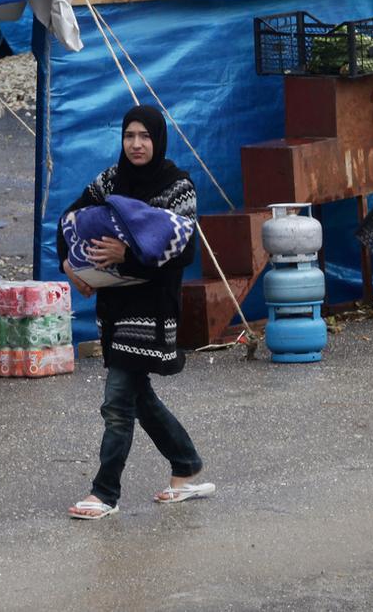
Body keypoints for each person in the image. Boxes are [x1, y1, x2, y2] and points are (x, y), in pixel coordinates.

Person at [57, 104, 214, 519]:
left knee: (118, 400)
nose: (136, 144)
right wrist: (73, 267)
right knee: (138, 396)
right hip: (114, 304)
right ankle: (186, 465)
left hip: (151, 306)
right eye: (130, 136)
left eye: (144, 136)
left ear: (158, 139)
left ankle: (104, 493)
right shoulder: (111, 179)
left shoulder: (176, 186)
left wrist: (127, 255)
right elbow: (68, 220)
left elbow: (183, 251)